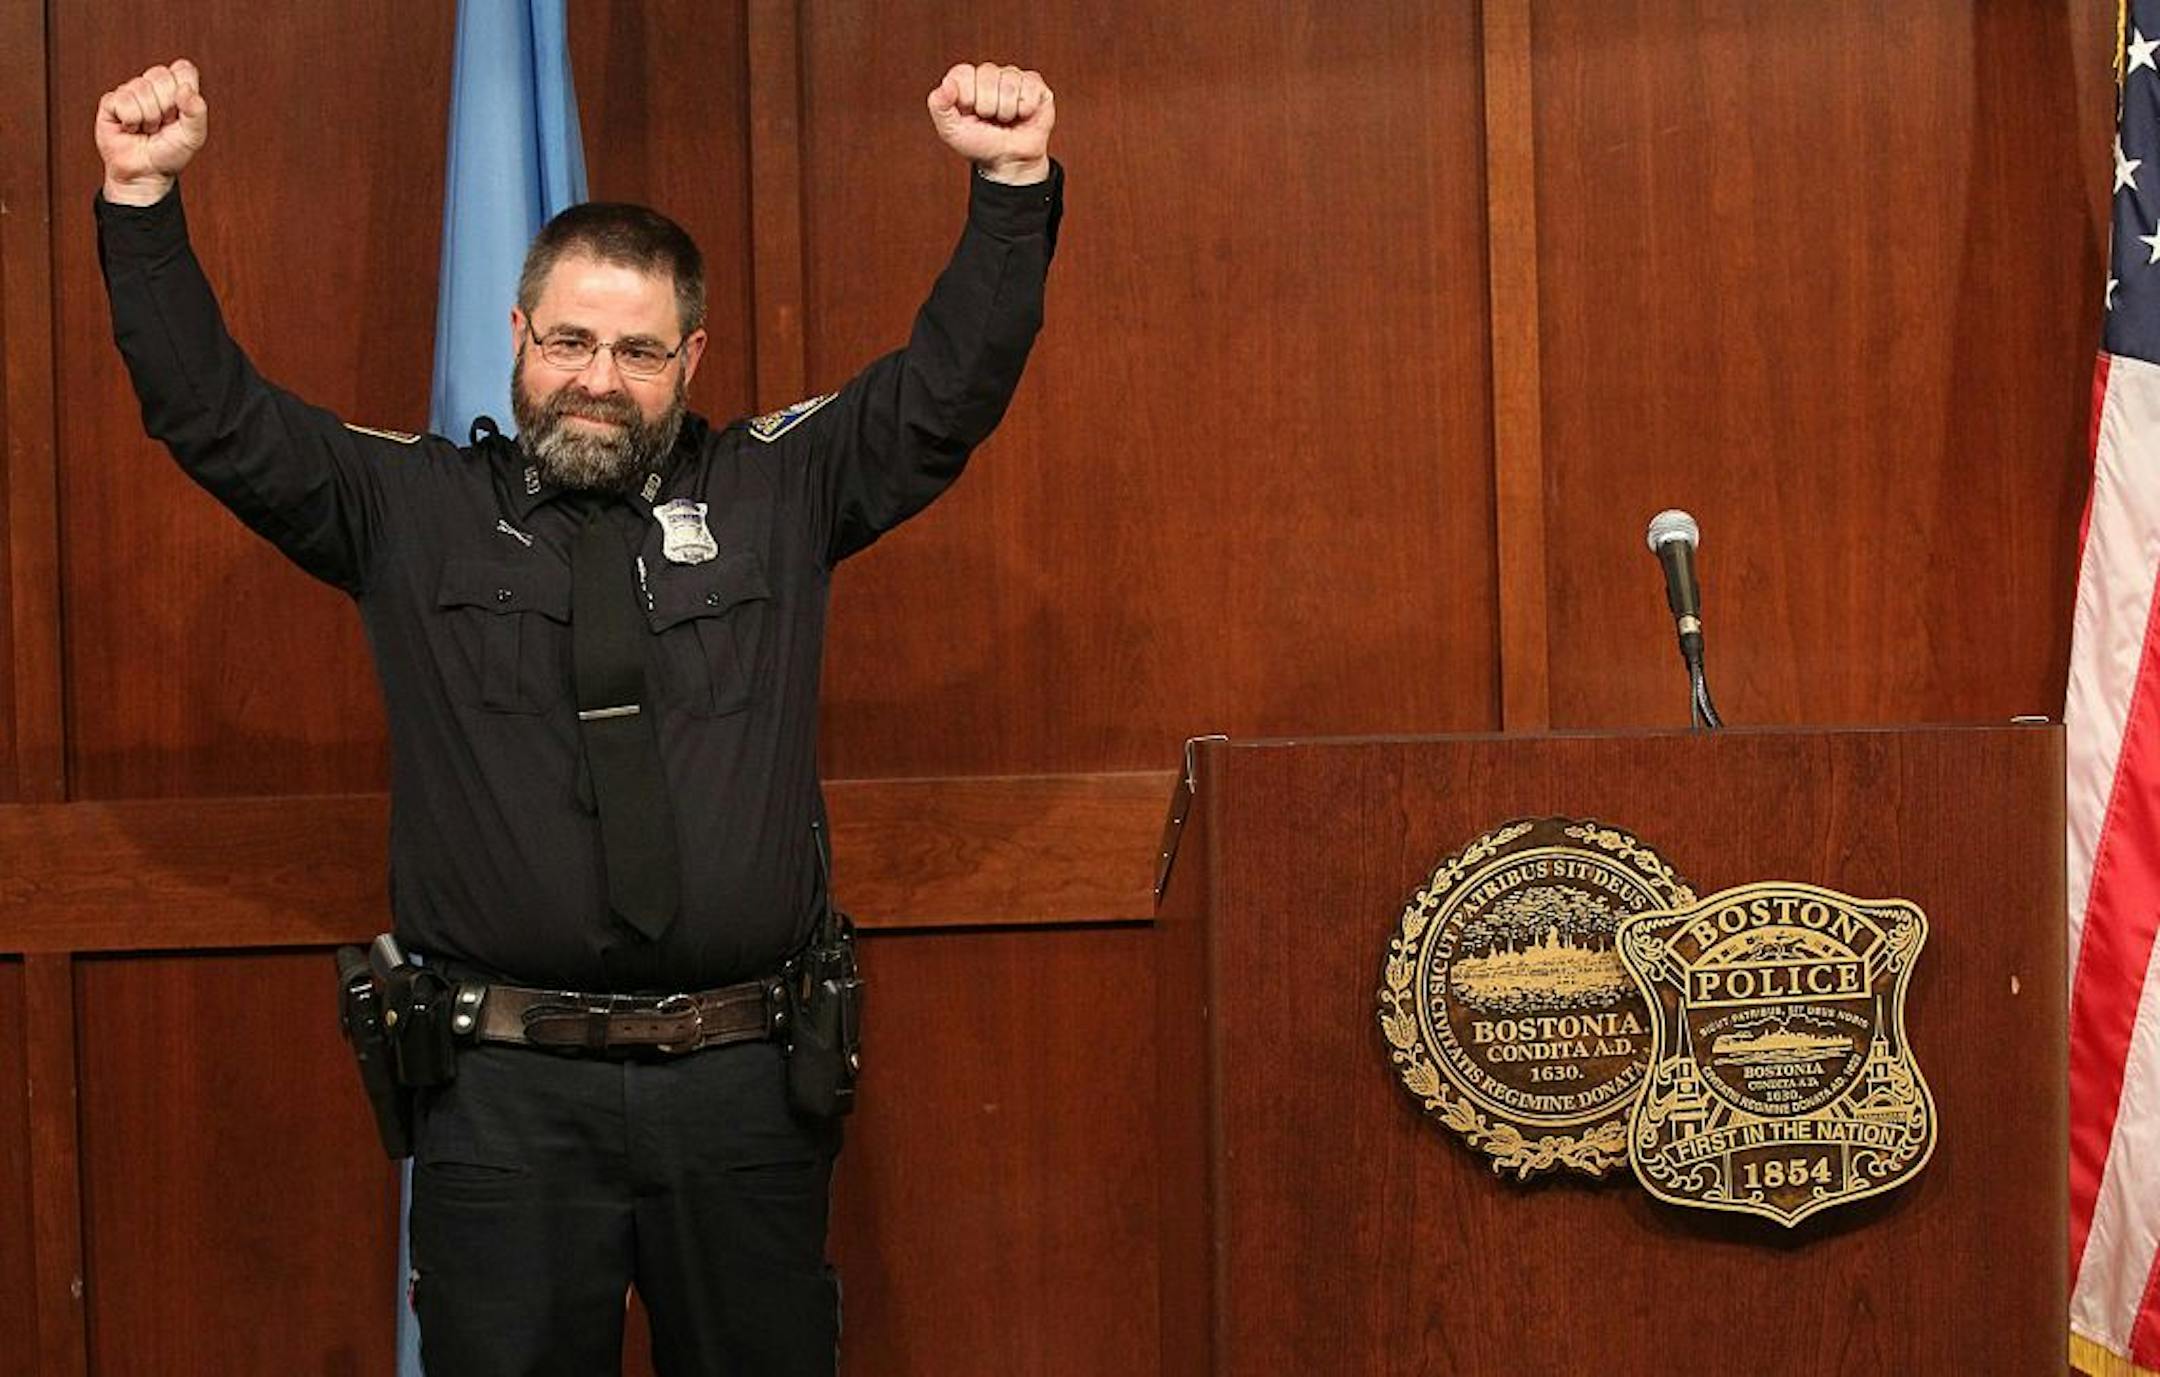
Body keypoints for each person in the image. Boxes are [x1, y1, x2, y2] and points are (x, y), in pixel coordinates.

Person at [93, 53, 1059, 1377]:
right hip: (504, 1102)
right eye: (569, 341)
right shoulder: (412, 511)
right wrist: (142, 203)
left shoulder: (780, 487)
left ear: (690, 357)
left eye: (638, 349)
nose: (598, 378)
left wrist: (1011, 187)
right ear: (518, 337)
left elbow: (947, 391)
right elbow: (211, 415)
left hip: (743, 1088)